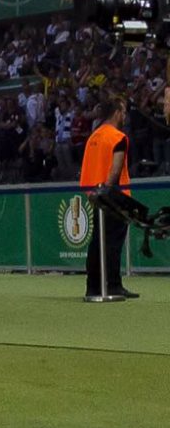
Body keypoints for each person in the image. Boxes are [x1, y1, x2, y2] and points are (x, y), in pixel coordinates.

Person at [80, 98, 135, 300]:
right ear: (117, 113)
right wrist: (109, 192)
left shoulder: (93, 137)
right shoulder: (118, 137)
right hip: (114, 197)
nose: (125, 116)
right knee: (113, 243)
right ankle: (113, 285)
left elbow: (87, 169)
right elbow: (116, 168)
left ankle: (92, 286)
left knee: (97, 242)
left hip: (95, 195)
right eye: (124, 112)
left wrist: (94, 194)